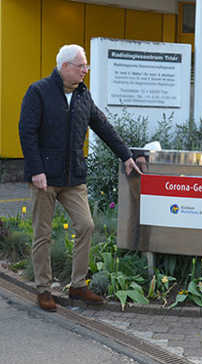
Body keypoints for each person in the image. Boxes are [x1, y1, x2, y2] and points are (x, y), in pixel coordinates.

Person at [19, 44, 144, 312]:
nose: (85, 70)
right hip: (45, 177)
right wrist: (36, 170)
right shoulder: (38, 92)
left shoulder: (83, 96)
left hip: (73, 176)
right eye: (81, 65)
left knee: (86, 225)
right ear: (64, 66)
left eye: (86, 65)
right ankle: (43, 289)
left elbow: (102, 126)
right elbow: (26, 133)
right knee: (42, 233)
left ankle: (78, 285)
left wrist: (126, 155)